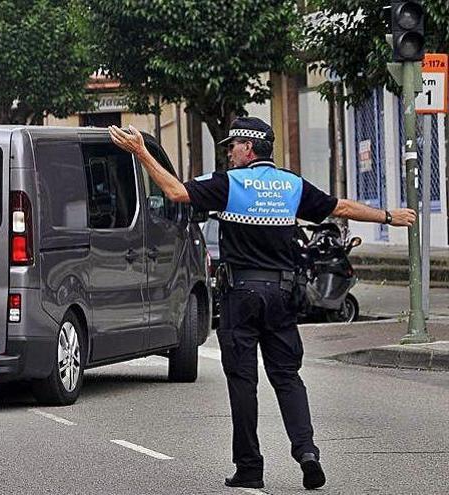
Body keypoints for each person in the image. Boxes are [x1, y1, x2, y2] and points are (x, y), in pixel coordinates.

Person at [109, 117, 415, 491]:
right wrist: (388, 216)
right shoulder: (292, 184)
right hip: (283, 296)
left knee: (243, 381)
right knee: (287, 377)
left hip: (241, 296)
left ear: (248, 148)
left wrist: (141, 151)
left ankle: (250, 467)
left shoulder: (228, 183)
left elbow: (174, 192)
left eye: (232, 146)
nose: (229, 153)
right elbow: (341, 207)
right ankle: (307, 452)